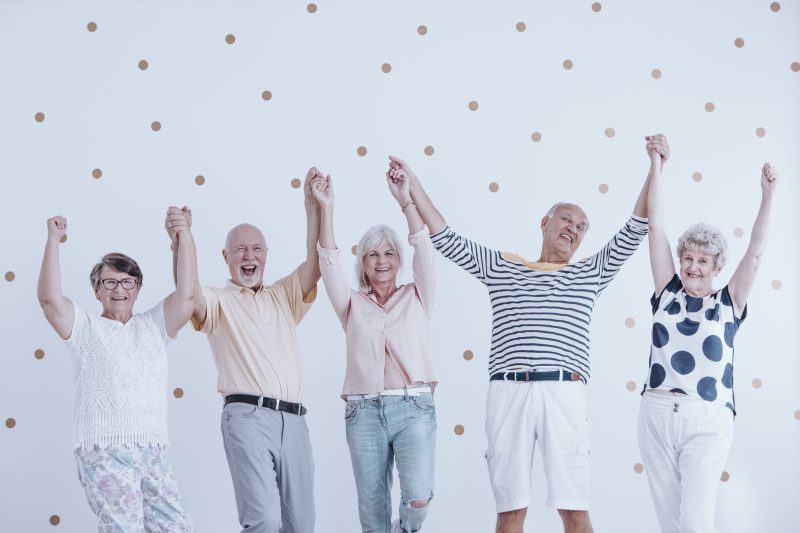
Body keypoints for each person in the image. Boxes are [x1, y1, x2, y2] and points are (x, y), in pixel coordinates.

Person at [389, 142, 668, 533]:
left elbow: (636, 226)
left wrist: (655, 165)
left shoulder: (589, 273)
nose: (573, 228)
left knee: (575, 510)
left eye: (581, 226)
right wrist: (412, 186)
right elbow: (446, 238)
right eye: (566, 219)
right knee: (510, 511)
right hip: (509, 391)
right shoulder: (504, 267)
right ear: (545, 222)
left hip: (564, 391)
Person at [166, 169, 321, 533]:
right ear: (226, 256)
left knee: (302, 526)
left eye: (255, 248)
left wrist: (312, 206)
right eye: (240, 249)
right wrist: (181, 240)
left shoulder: (283, 294)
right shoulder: (218, 302)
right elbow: (187, 293)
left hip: (295, 422)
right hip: (247, 416)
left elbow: (315, 266)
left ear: (266, 255)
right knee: (264, 522)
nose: (248, 255)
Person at [639, 136, 777, 532]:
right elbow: (657, 226)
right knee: (671, 523)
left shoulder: (728, 302)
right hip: (656, 411)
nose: (693, 267)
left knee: (696, 521)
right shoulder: (667, 292)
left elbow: (756, 249)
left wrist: (767, 196)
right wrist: (656, 165)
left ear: (716, 267)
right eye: (688, 258)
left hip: (709, 415)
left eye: (703, 261)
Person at [37, 210, 197, 532]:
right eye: (109, 282)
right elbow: (50, 300)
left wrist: (183, 236)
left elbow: (188, 295)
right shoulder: (85, 328)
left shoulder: (154, 325)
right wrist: (53, 240)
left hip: (152, 449)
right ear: (97, 290)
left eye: (127, 282)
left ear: (137, 289)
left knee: (177, 527)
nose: (119, 289)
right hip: (103, 448)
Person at [310, 168, 437, 533]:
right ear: (362, 263)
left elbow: (423, 245)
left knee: (418, 496)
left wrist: (405, 200)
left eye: (388, 253)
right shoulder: (350, 304)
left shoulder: (417, 295)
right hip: (363, 411)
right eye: (372, 255)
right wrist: (326, 208)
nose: (381, 261)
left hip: (413, 407)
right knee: (372, 510)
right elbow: (329, 259)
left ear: (398, 259)